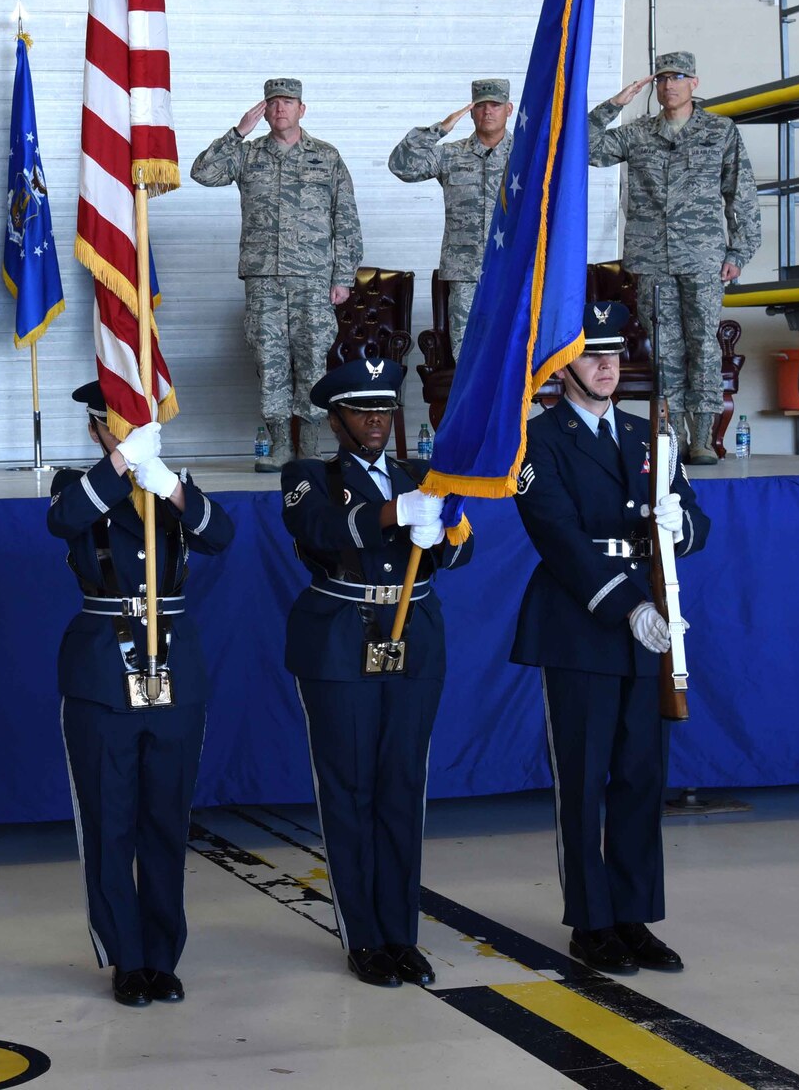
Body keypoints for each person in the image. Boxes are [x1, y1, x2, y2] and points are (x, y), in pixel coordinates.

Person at [509, 301, 707, 975]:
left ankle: (633, 915)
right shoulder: (540, 440)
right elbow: (560, 539)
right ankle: (591, 922)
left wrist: (679, 524)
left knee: (641, 778)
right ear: (565, 365)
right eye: (593, 355)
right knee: (586, 779)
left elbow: (697, 522)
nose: (606, 366)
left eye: (615, 354)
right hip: (581, 623)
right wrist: (627, 605)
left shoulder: (649, 433)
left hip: (650, 628)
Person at [279, 356, 472, 988]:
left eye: (384, 409)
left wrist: (447, 518)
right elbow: (319, 531)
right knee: (350, 790)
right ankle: (362, 935)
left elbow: (465, 553)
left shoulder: (421, 474)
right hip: (341, 638)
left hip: (413, 638)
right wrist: (394, 513)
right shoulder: (308, 475)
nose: (376, 421)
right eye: (361, 411)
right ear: (335, 420)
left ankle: (400, 933)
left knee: (401, 789)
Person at [46, 383, 235, 1008]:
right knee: (109, 821)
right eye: (116, 428)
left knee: (164, 820)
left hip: (174, 665)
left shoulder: (169, 483)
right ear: (99, 429)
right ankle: (125, 958)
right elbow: (63, 520)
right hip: (104, 666)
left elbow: (220, 535)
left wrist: (167, 484)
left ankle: (161, 955)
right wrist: (123, 466)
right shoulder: (78, 483)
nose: (124, 435)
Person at [589, 51, 760, 464]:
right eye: (662, 78)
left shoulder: (719, 131)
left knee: (702, 344)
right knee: (665, 348)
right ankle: (673, 435)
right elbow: (585, 147)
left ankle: (702, 438)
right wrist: (616, 103)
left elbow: (743, 193)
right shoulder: (637, 133)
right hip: (652, 259)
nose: (669, 85)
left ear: (694, 84)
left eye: (678, 77)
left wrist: (740, 249)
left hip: (703, 256)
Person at [191, 77, 362, 471]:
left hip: (313, 280)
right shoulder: (247, 155)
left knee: (312, 360)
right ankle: (281, 444)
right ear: (263, 111)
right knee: (270, 361)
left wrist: (343, 277)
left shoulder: (327, 156)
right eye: (273, 103)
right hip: (264, 280)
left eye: (288, 102)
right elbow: (203, 172)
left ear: (302, 109)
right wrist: (237, 133)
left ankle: (311, 446)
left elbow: (346, 220)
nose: (280, 108)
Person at [388, 78, 514, 355]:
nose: (488, 112)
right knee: (466, 354)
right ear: (471, 112)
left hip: (514, 270)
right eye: (480, 106)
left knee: (514, 355)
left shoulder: (527, 156)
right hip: (465, 272)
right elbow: (400, 166)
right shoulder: (451, 155)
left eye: (495, 105)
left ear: (510, 109)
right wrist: (438, 129)